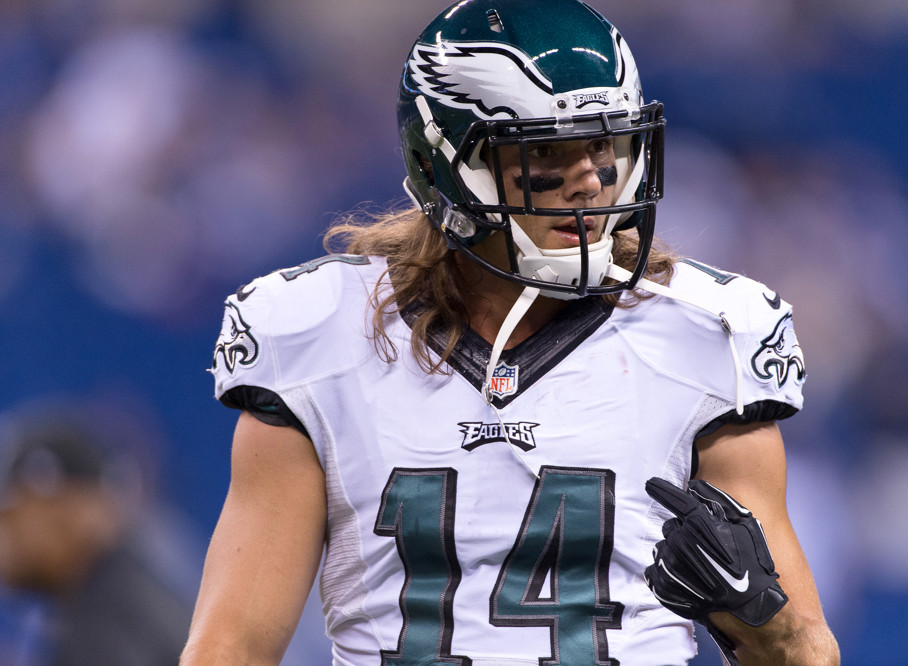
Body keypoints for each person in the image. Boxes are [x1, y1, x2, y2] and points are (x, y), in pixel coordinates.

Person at [183, 1, 839, 664]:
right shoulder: (323, 338)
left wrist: (763, 623)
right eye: (549, 151)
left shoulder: (708, 335)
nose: (589, 181)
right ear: (446, 165)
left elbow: (805, 652)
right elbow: (232, 645)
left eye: (604, 144)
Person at [0, 403, 194, 665]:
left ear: (62, 509)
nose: (5, 534)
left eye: (11, 513)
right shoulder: (126, 593)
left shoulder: (106, 620)